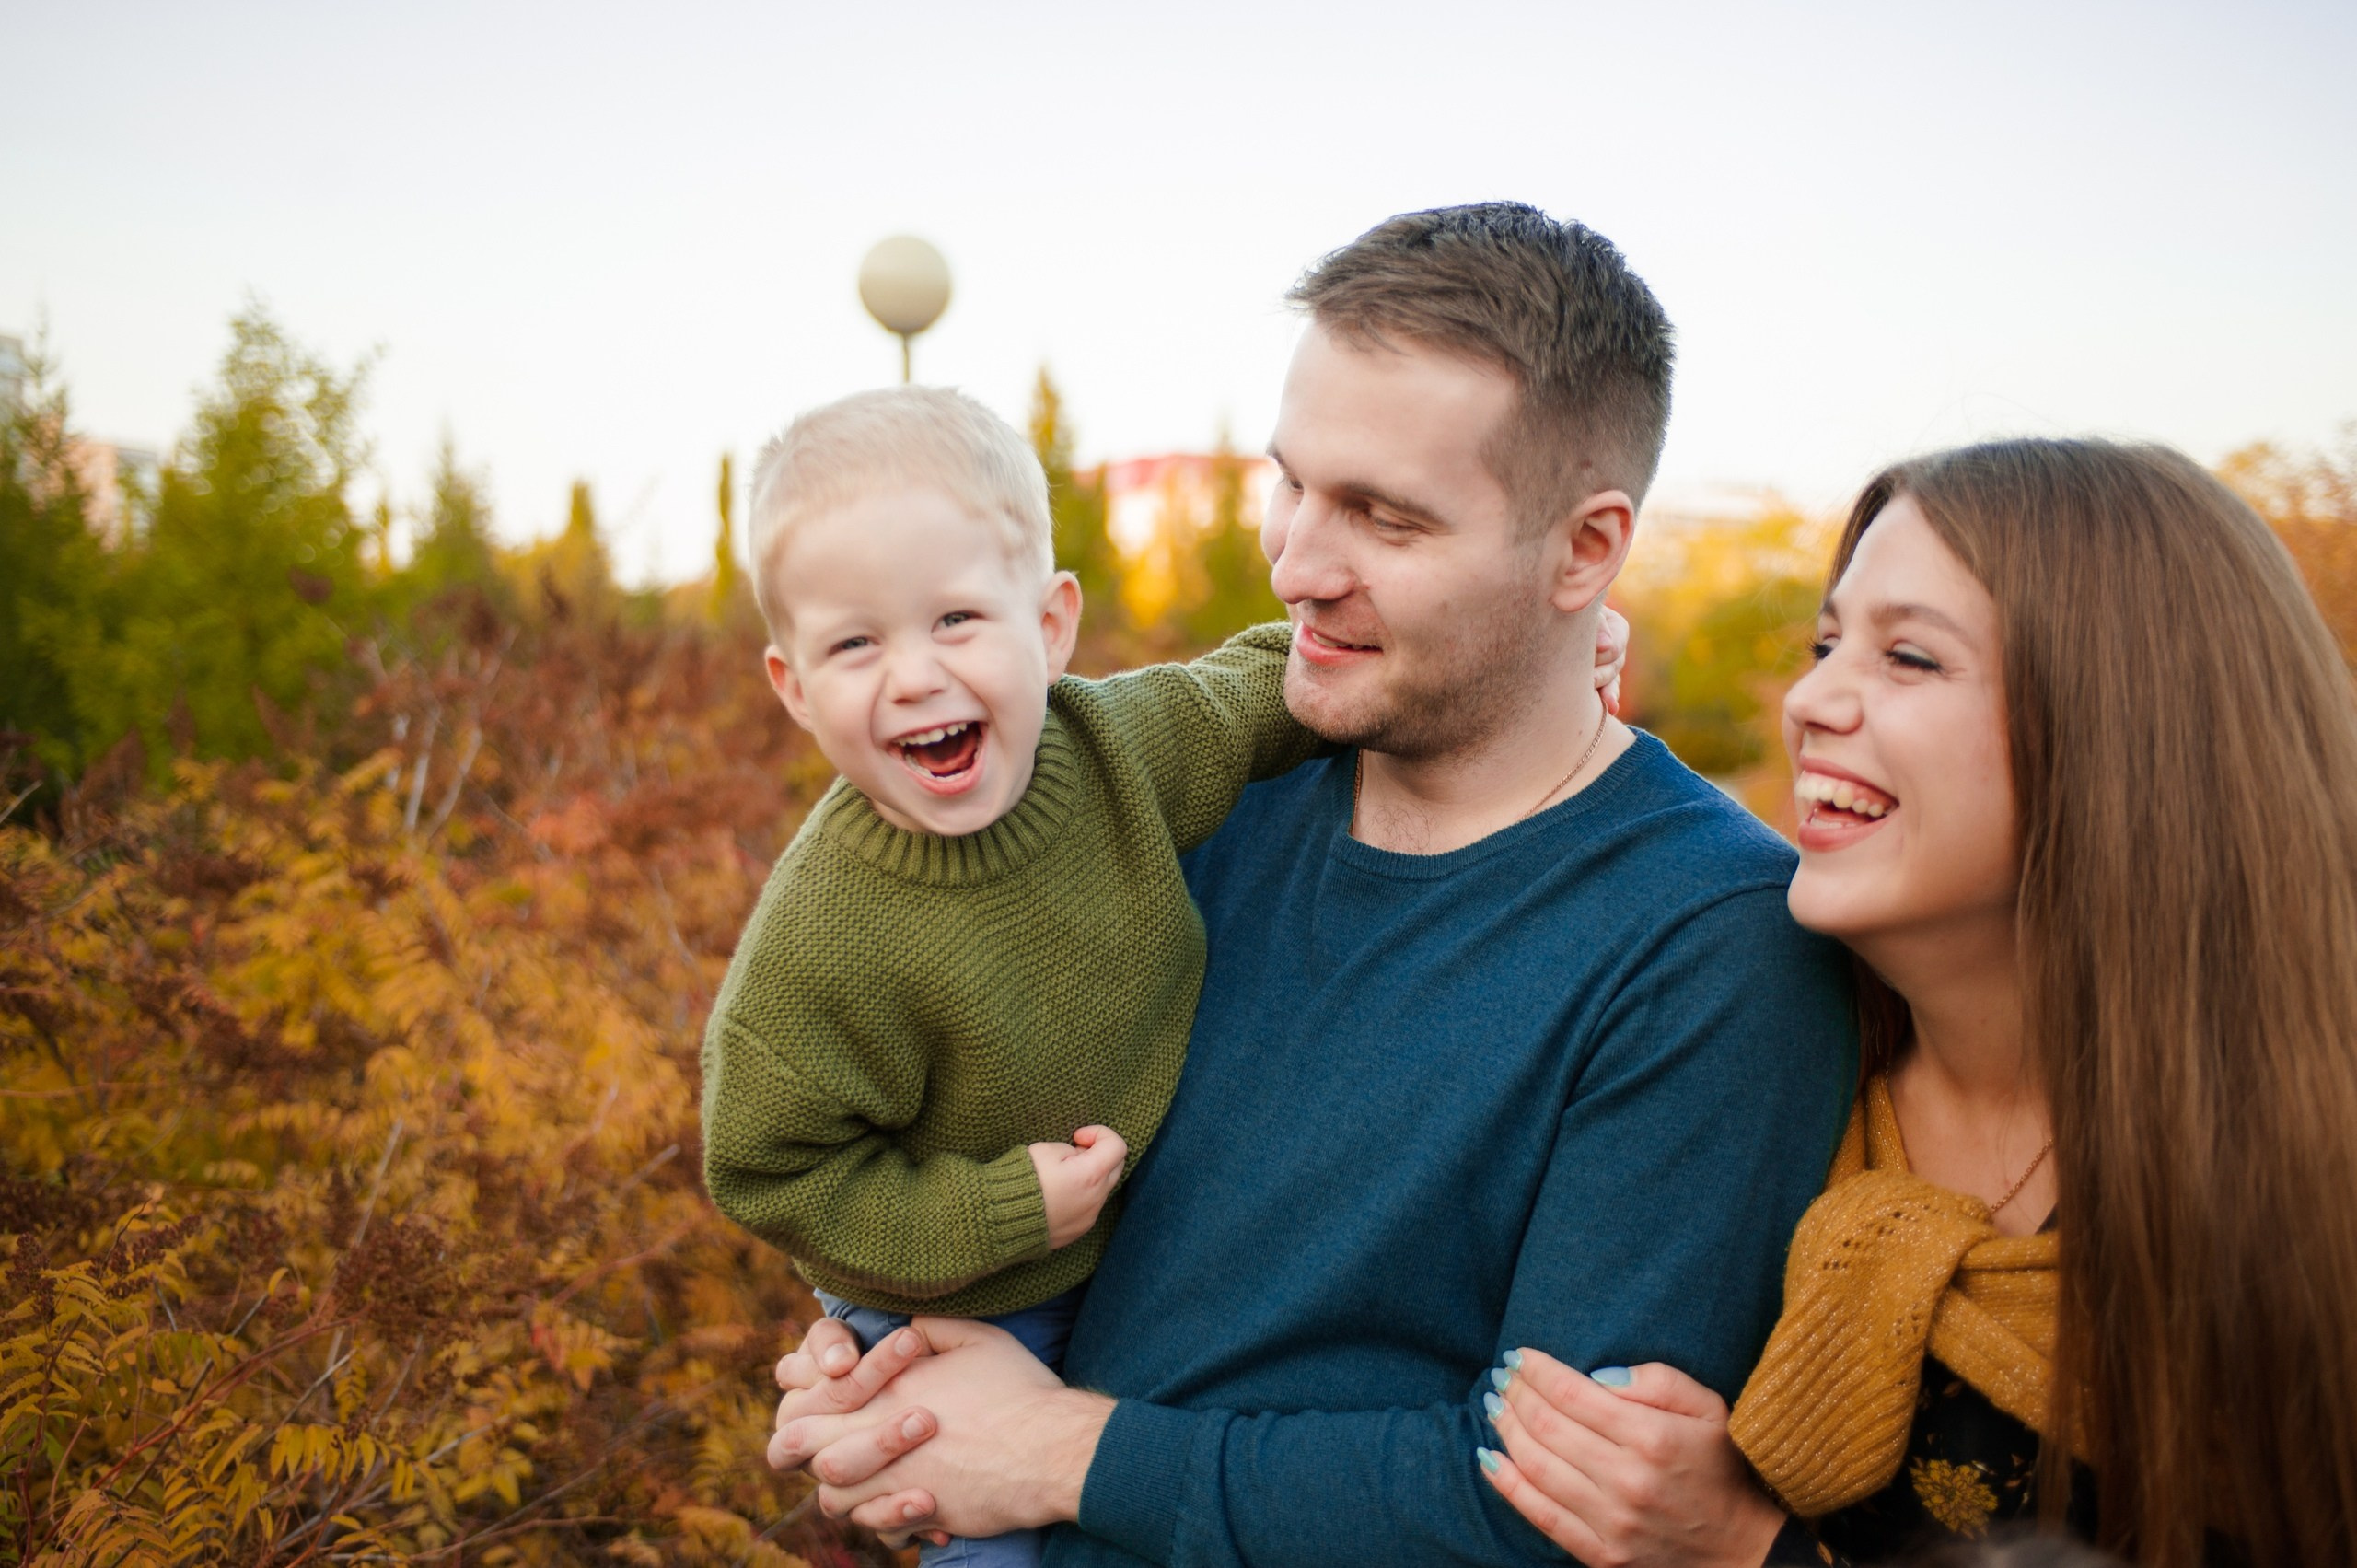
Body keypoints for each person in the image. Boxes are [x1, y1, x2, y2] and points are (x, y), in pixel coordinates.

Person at [762, 203, 1859, 1568]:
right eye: (1294, 483)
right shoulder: (1191, 802)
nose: (1295, 561)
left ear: (1586, 551)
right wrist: (884, 1365)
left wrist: (1054, 1451)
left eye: (1385, 518)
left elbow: (1545, 1511)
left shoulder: (1709, 943)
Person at [702, 380, 1632, 1566]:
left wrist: (1547, 644)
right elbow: (767, 1166)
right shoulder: (827, 929)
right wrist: (996, 1212)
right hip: (958, 1291)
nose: (915, 676)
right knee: (989, 1541)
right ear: (792, 686)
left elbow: (1266, 689)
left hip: (1141, 1259)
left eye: (955, 621)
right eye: (854, 643)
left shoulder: (1115, 752)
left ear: (1048, 625)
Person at [1477, 439, 2357, 1568]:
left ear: (2120, 728)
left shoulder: (2305, 1194)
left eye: (1908, 657)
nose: (1806, 700)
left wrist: (1751, 1551)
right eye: (1825, 642)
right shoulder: (1771, 1073)